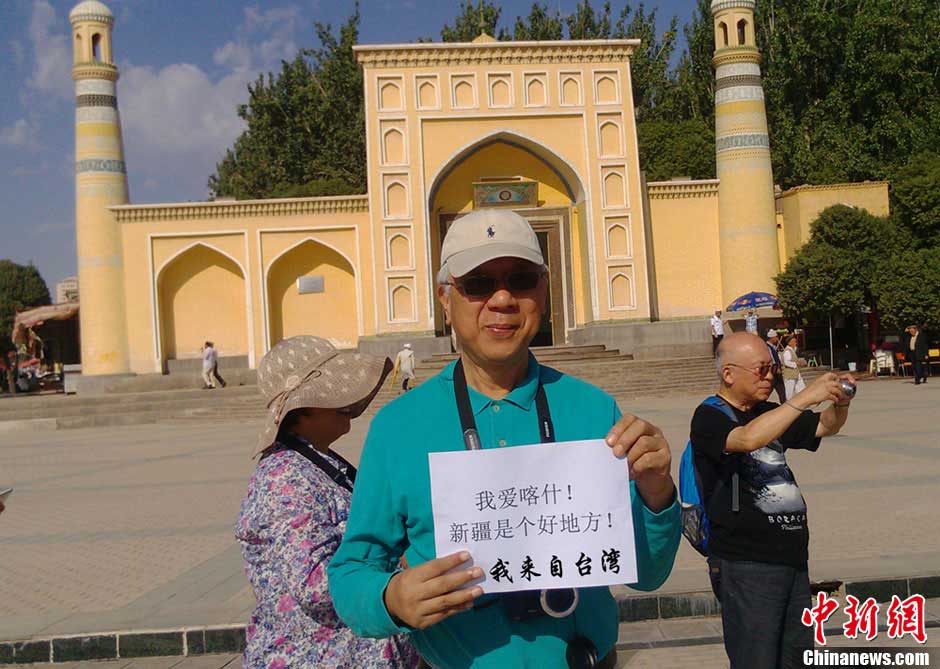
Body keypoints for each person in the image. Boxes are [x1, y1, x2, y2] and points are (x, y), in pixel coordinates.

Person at [328, 209, 681, 669]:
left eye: (521, 279)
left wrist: (657, 494)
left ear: (544, 291)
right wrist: (391, 599)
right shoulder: (399, 427)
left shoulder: (593, 411)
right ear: (445, 298)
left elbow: (648, 575)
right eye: (477, 284)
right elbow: (352, 571)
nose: (502, 299)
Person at [235, 335, 419, 669]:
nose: (348, 404)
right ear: (304, 410)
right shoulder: (286, 478)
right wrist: (405, 569)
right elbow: (315, 585)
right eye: (336, 397)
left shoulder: (317, 462)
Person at [690, 332, 855, 669]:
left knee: (796, 658)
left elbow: (824, 427)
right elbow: (748, 439)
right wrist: (805, 396)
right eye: (762, 370)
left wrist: (840, 402)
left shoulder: (770, 411)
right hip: (746, 564)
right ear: (729, 374)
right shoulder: (709, 417)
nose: (770, 377)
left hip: (792, 560)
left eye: (773, 369)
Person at [781, 334, 807, 399]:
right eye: (794, 341)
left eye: (795, 341)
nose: (795, 343)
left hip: (795, 374)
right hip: (790, 375)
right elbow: (786, 362)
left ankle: (802, 402)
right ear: (790, 343)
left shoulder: (792, 350)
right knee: (789, 392)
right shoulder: (787, 351)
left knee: (802, 389)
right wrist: (796, 364)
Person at [766, 329, 786, 403]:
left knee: (781, 390)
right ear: (772, 338)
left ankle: (784, 404)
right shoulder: (767, 347)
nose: (777, 339)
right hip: (773, 372)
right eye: (776, 337)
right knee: (769, 389)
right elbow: (771, 359)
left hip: (776, 372)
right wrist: (776, 368)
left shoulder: (773, 347)